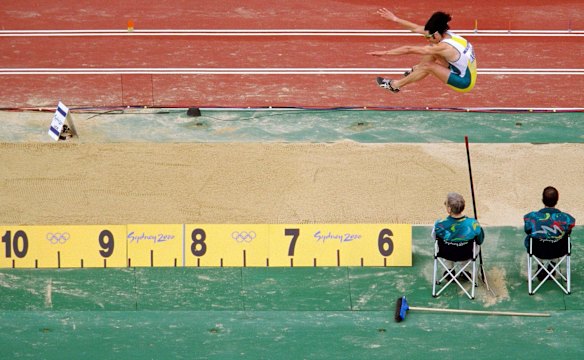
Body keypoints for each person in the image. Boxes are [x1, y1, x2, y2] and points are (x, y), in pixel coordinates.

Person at [368, 8, 477, 93]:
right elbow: (415, 28)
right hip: (460, 68)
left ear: (436, 34)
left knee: (428, 65)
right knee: (431, 50)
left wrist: (385, 53)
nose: (427, 38)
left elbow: (409, 49)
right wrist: (394, 19)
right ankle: (417, 70)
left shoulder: (445, 47)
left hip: (464, 82)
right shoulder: (446, 34)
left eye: (428, 37)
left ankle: (394, 85)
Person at [523, 186, 575, 279]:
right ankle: (553, 264)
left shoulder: (532, 217)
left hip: (537, 250)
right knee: (561, 238)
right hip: (559, 250)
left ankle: (541, 266)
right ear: (557, 200)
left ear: (542, 200)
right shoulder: (566, 218)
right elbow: (569, 231)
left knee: (533, 238)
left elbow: (527, 230)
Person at [432, 192, 484, 278]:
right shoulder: (473, 224)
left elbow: (434, 238)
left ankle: (449, 270)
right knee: (471, 245)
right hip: (466, 253)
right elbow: (480, 240)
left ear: (449, 209)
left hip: (446, 253)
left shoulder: (439, 224)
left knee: (442, 244)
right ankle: (465, 271)